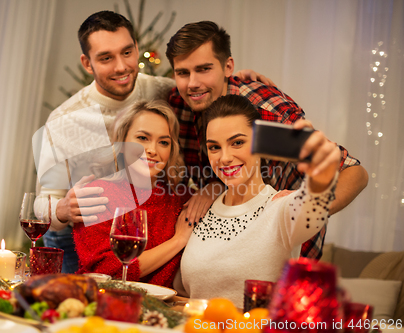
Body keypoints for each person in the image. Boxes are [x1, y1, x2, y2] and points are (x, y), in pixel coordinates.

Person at [34, 12, 270, 273]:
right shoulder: (63, 122)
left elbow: (201, 82)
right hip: (78, 237)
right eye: (106, 58)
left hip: (149, 224)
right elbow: (41, 203)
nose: (121, 67)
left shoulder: (163, 90)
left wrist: (236, 81)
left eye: (127, 52)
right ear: (87, 64)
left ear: (137, 49)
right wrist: (62, 210)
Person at [165, 21, 368, 259]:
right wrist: (216, 188)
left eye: (204, 69)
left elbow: (354, 172)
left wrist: (304, 213)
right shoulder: (178, 105)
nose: (192, 83)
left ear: (228, 66)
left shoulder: (266, 114)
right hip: (222, 243)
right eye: (183, 73)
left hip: (286, 254)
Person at [180, 94, 340, 305]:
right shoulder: (203, 208)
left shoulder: (280, 208)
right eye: (214, 147)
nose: (225, 157)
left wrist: (320, 178)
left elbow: (311, 210)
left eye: (237, 143)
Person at [73, 100, 192, 287]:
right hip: (102, 303)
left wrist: (210, 191)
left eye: (163, 142)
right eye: (143, 138)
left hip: (161, 311)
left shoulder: (181, 199)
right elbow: (107, 272)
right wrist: (178, 241)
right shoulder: (97, 195)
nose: (152, 150)